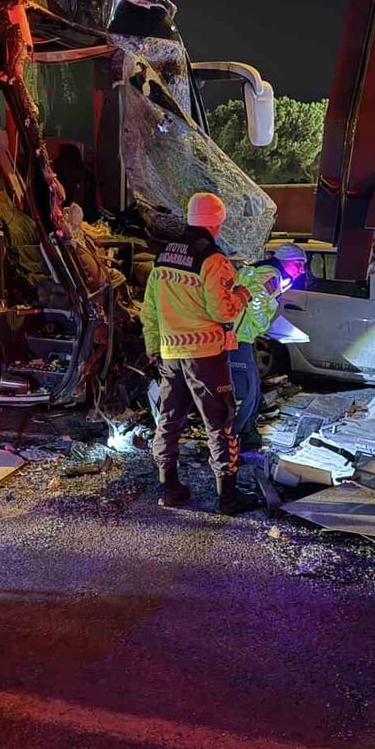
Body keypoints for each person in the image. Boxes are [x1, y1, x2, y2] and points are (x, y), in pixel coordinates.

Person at [141, 192, 255, 514]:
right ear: (217, 222)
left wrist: (153, 346)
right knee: (219, 422)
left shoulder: (164, 256)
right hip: (204, 355)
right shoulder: (213, 260)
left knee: (169, 419)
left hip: (169, 353)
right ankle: (228, 498)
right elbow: (222, 311)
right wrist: (242, 294)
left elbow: (149, 309)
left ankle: (169, 489)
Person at [231, 242, 307, 449]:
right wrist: (262, 324)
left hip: (242, 337)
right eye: (298, 264)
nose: (302, 269)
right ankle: (234, 438)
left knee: (252, 389)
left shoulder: (266, 273)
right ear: (284, 261)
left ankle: (246, 434)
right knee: (246, 391)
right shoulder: (271, 275)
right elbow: (255, 300)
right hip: (237, 340)